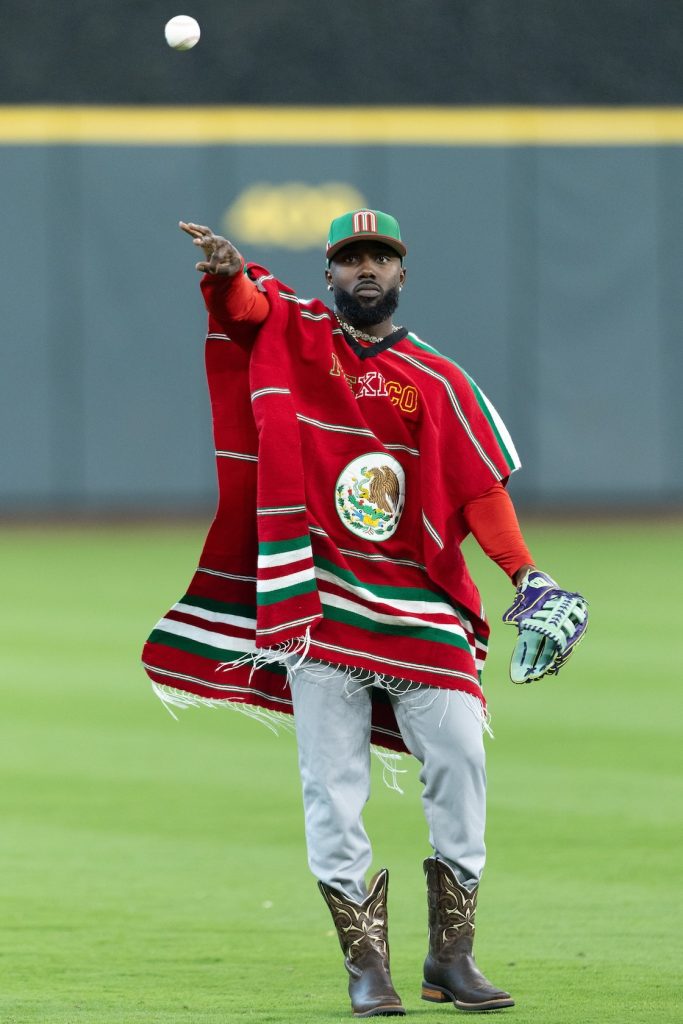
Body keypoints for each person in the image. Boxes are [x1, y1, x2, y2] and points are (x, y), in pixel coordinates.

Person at [143, 209, 548, 1017]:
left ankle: (450, 955)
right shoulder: (294, 336)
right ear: (329, 274)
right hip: (317, 596)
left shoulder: (438, 377)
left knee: (460, 759)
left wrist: (525, 577)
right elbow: (243, 310)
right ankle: (367, 967)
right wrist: (225, 273)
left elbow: (478, 491)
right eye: (351, 259)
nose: (366, 270)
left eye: (380, 259)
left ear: (402, 275)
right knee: (332, 786)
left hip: (417, 599)